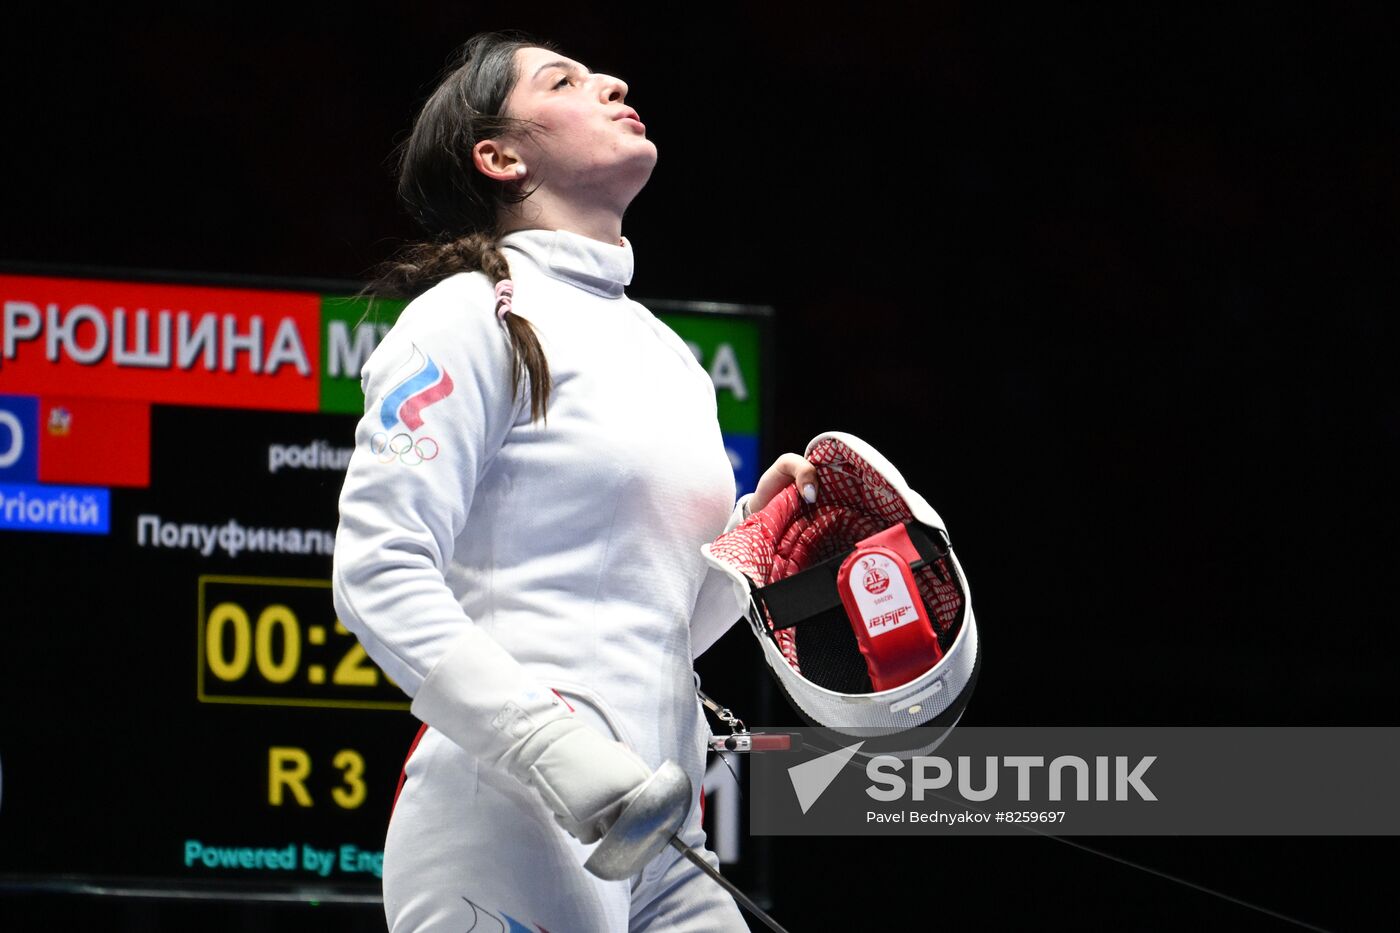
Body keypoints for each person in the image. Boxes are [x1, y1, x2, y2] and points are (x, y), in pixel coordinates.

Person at [332, 31, 819, 932]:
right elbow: (376, 570)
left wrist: (760, 543)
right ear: (501, 156)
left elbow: (661, 616)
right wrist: (547, 745)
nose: (614, 81)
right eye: (565, 79)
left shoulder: (670, 356)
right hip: (508, 807)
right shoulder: (466, 314)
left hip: (663, 834)